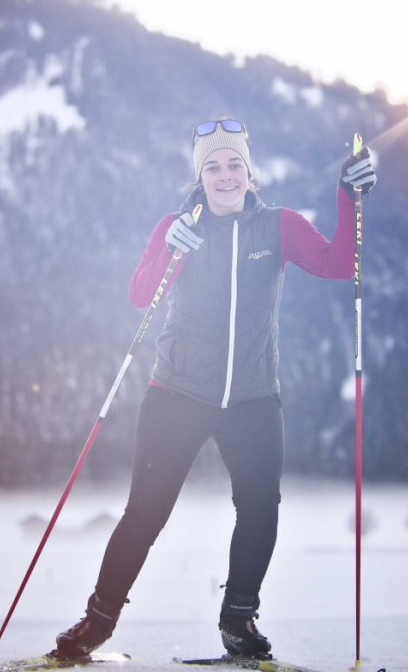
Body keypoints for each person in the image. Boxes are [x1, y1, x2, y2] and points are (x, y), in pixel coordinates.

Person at [52, 118, 376, 659]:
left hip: (253, 398)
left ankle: (238, 622)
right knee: (145, 513)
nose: (225, 175)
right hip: (176, 393)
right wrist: (168, 252)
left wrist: (349, 196)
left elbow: (340, 264)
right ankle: (97, 624)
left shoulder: (279, 226)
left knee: (260, 508)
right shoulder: (177, 225)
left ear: (250, 174)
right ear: (198, 175)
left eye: (234, 165)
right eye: (213, 166)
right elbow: (138, 294)